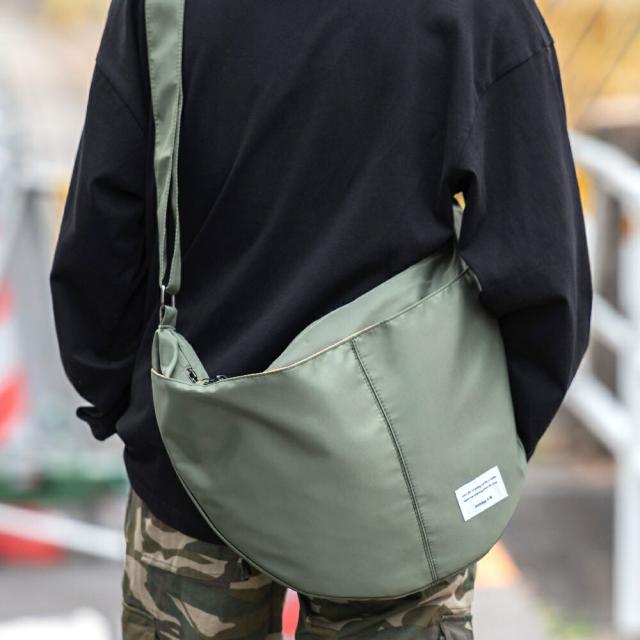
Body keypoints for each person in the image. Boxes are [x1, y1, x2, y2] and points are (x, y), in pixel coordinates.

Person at [49, 0, 592, 637]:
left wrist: (125, 406)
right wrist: (479, 447)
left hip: (191, 458)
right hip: (395, 482)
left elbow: (105, 227)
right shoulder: (481, 12)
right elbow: (542, 267)